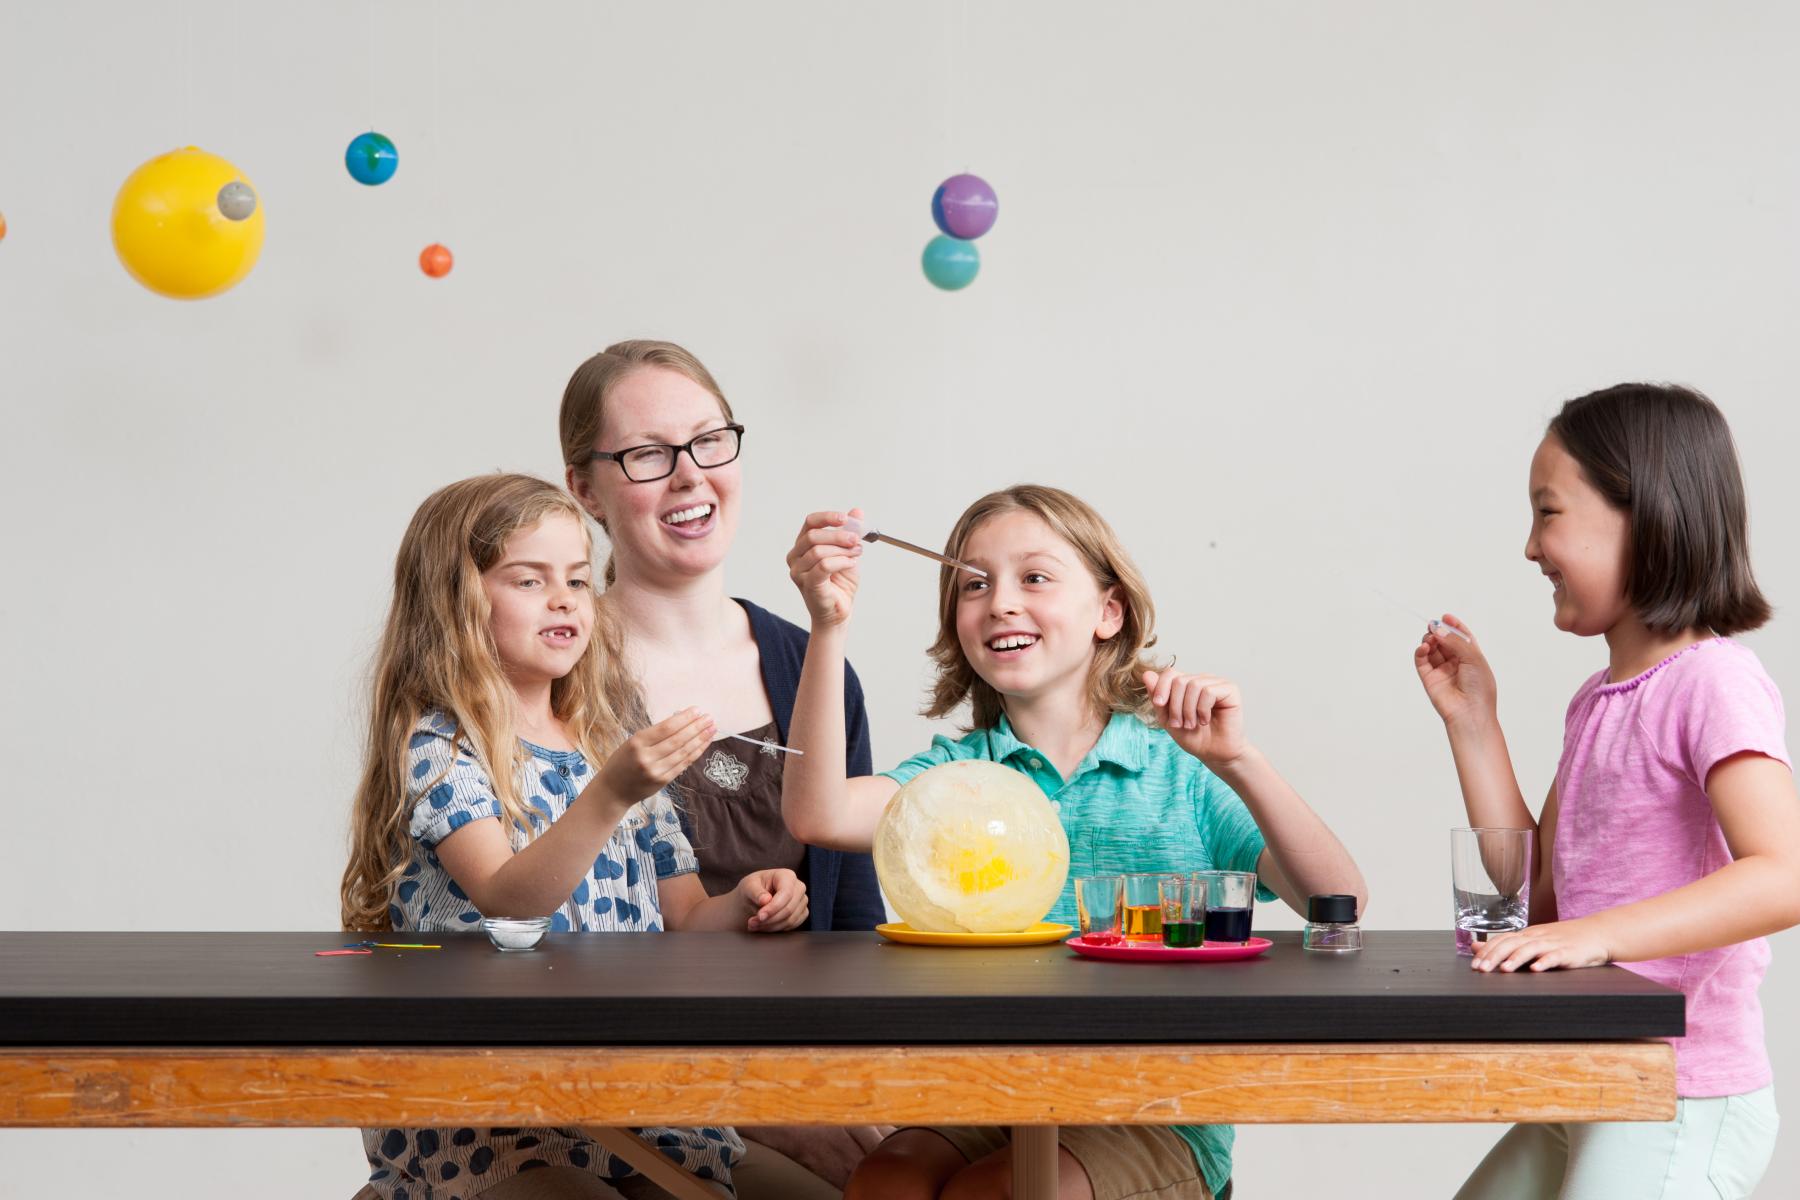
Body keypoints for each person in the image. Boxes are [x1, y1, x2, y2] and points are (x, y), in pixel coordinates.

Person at [782, 484, 1367, 1200]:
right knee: (885, 1181)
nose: (1000, 601)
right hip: (988, 1097)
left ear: (1108, 611)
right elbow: (819, 816)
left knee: (1003, 1193)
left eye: (1034, 577)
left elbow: (1337, 900)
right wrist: (828, 625)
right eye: (973, 583)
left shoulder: (1182, 771)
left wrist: (1239, 761)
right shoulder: (956, 779)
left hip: (1154, 1114)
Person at [341, 473, 808, 1200]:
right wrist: (612, 792)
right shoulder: (443, 745)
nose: (564, 599)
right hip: (493, 1110)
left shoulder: (607, 740)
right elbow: (507, 904)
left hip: (630, 1096)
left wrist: (747, 901)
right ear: (456, 602)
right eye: (530, 580)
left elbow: (685, 915)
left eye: (580, 580)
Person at [1415, 383, 1797, 1199]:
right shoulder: (1601, 699)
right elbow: (1542, 896)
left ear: (1644, 515)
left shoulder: (1713, 681)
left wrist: (1599, 938)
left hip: (1677, 1093)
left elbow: (1784, 872)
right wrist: (1475, 724)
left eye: (1547, 513)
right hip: (1590, 1076)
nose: (1529, 547)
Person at [561, 339, 888, 1194]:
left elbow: (857, 928)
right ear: (583, 489)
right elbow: (553, 957)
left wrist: (856, 1100)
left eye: (710, 441)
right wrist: (757, 1109)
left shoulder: (812, 665)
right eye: (646, 455)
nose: (689, 475)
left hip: (808, 1078)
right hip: (627, 1098)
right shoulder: (552, 678)